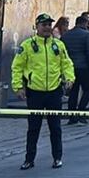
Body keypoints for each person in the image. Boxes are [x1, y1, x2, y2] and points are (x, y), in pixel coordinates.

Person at [13, 13, 75, 169]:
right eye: (44, 25)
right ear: (37, 27)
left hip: (54, 91)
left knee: (55, 127)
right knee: (33, 128)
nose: (47, 27)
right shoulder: (27, 45)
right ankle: (29, 159)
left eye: (49, 25)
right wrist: (18, 87)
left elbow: (66, 64)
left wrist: (69, 78)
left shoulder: (58, 45)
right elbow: (17, 67)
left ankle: (57, 158)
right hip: (35, 92)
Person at [61, 15, 89, 126]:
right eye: (88, 23)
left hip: (70, 69)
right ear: (85, 23)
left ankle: (72, 117)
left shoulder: (66, 35)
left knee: (73, 92)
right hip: (84, 67)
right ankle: (80, 112)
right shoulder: (87, 35)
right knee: (88, 90)